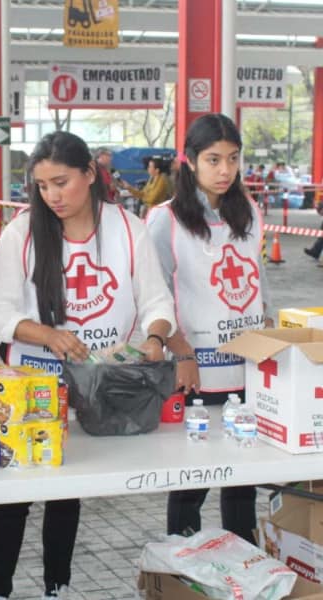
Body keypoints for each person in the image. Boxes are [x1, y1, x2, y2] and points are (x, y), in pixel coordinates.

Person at [0, 131, 177, 600]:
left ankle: (57, 587)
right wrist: (47, 335)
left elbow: (157, 300)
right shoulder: (22, 232)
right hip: (30, 389)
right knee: (12, 497)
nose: (52, 196)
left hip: (96, 390)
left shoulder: (127, 228)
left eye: (61, 182)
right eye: (42, 186)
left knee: (67, 493)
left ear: (90, 174)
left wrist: (155, 337)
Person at [146, 113, 272, 545]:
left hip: (249, 369)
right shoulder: (166, 219)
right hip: (197, 372)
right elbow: (155, 296)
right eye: (214, 159)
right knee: (192, 482)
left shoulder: (249, 211)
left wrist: (269, 331)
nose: (225, 170)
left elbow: (258, 282)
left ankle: (246, 564)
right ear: (191, 160)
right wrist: (180, 352)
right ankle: (182, 565)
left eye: (233, 158)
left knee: (242, 482)